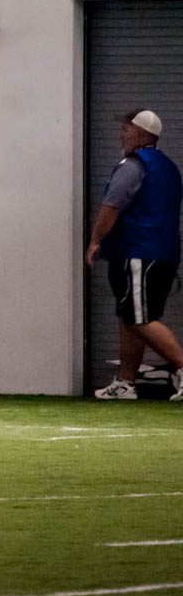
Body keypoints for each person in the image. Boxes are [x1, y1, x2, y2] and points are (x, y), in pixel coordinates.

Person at [87, 109, 183, 401]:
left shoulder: (133, 165)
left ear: (141, 134)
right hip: (163, 253)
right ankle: (126, 382)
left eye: (126, 129)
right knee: (131, 316)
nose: (121, 135)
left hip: (139, 252)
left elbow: (112, 205)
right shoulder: (168, 167)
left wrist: (95, 240)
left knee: (139, 319)